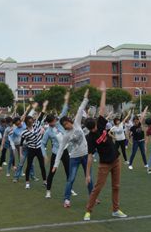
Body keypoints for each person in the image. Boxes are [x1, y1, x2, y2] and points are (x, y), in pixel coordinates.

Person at [84, 81, 127, 221]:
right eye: (93, 129)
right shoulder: (90, 138)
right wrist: (87, 174)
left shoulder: (100, 123)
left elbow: (102, 108)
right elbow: (90, 156)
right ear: (90, 129)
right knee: (97, 188)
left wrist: (103, 92)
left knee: (116, 186)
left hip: (116, 159)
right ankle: (88, 211)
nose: (96, 129)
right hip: (104, 164)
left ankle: (116, 210)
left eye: (96, 127)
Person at [54, 90, 92, 208]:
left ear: (70, 121)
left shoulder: (77, 123)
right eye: (64, 125)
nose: (67, 126)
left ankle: (92, 197)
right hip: (74, 158)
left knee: (89, 177)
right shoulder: (66, 135)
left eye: (67, 123)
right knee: (71, 179)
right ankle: (66, 199)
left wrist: (85, 98)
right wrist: (56, 164)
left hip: (86, 155)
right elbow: (60, 149)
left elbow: (80, 109)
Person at [42, 92, 71, 199]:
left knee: (68, 171)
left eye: (55, 120)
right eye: (53, 121)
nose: (55, 121)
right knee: (52, 172)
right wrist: (45, 155)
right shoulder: (48, 131)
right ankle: (48, 191)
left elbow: (64, 110)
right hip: (56, 153)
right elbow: (42, 144)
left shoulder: (59, 122)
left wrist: (66, 99)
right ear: (49, 123)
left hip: (65, 151)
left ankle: (70, 189)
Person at [20, 101, 48, 189]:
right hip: (31, 149)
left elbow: (41, 115)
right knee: (28, 166)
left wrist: (44, 106)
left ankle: (45, 181)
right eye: (29, 121)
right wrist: (20, 153)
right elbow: (21, 143)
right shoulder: (24, 132)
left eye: (32, 121)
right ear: (26, 122)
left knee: (42, 165)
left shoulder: (36, 125)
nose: (31, 122)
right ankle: (27, 182)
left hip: (38, 149)